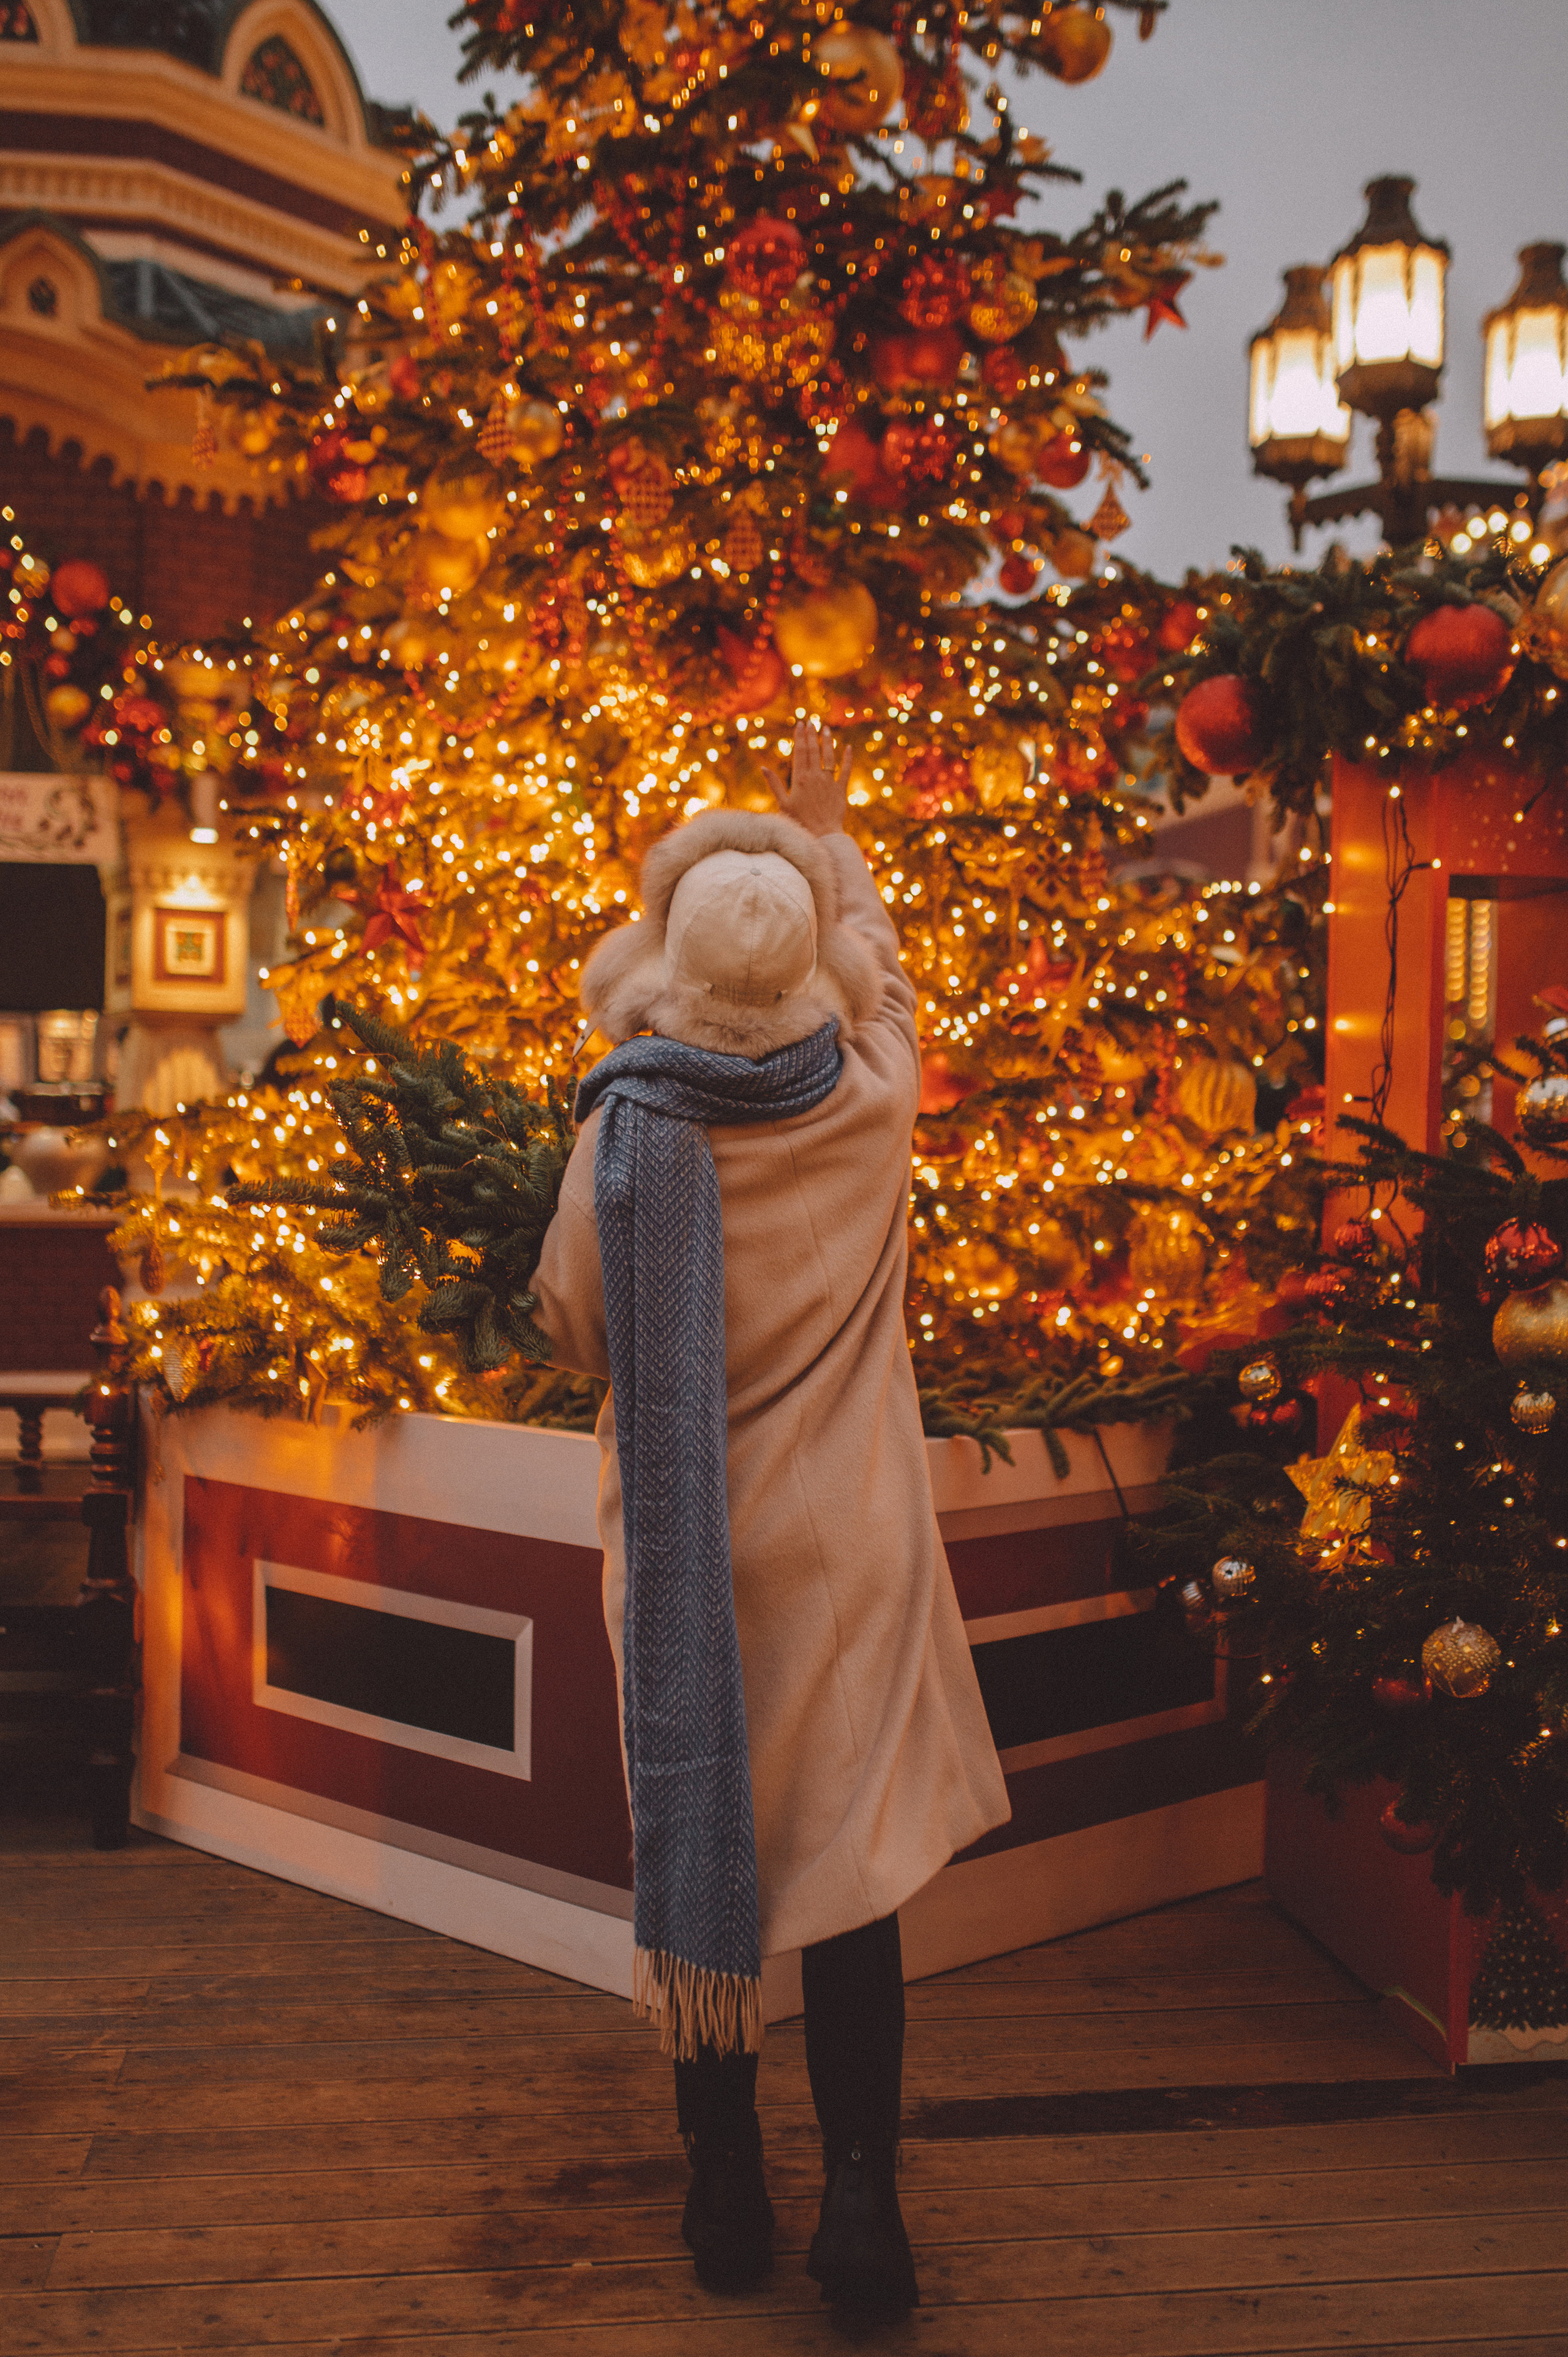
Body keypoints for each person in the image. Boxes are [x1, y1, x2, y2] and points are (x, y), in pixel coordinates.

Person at [529, 720, 1010, 2309]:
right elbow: (892, 979)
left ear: (664, 965)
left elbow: (575, 1330)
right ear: (816, 970)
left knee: (704, 1851)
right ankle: (862, 2207)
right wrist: (837, 838)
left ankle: (724, 2190)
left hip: (693, 1557)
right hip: (849, 1549)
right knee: (854, 1883)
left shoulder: (624, 1131)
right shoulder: (872, 1096)